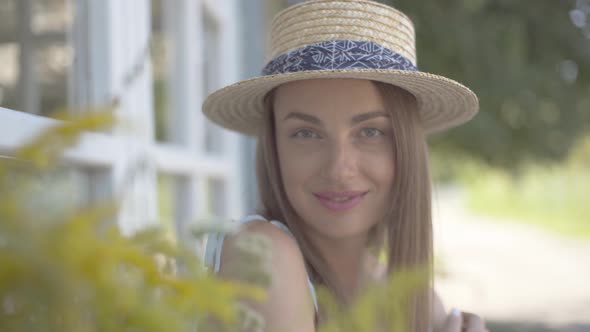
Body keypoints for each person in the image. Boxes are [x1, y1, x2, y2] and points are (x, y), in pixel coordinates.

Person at [202, 1, 487, 331]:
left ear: (407, 146)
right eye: (306, 133)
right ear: (273, 148)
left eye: (370, 131)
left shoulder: (416, 303)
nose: (339, 168)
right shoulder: (261, 256)